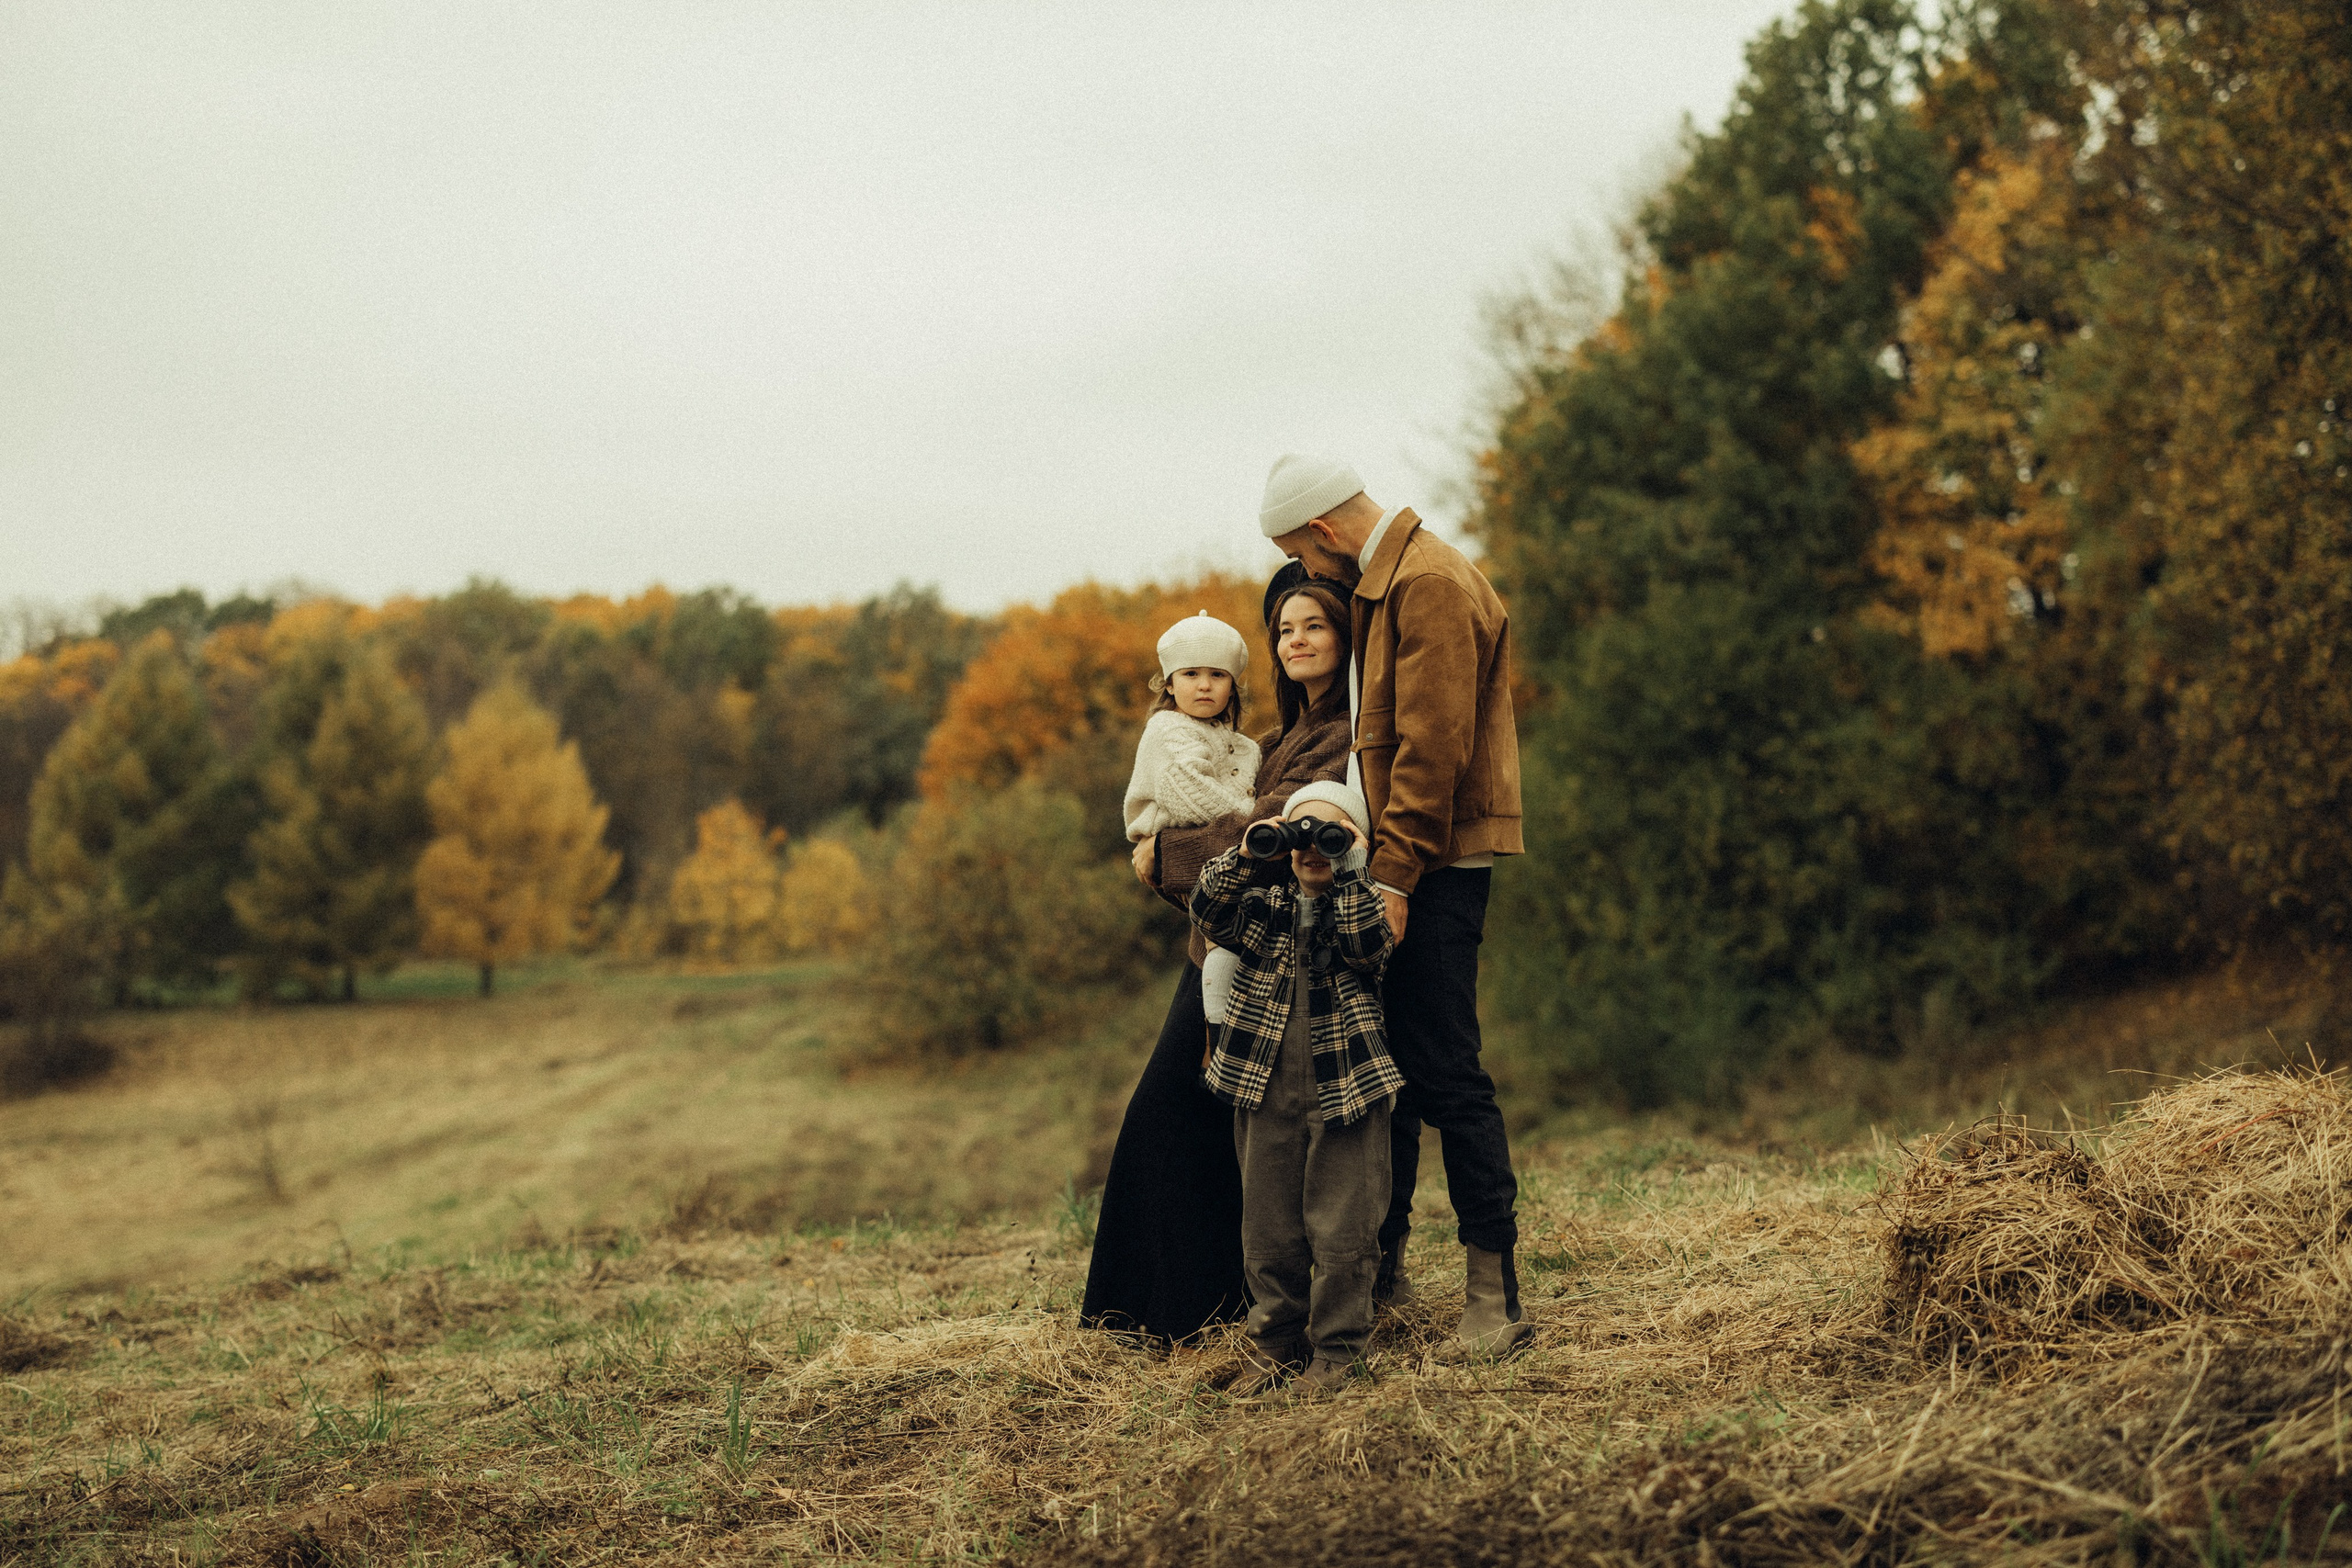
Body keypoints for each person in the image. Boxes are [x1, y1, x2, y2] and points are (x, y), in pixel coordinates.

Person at [1257, 452, 1532, 1361]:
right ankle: (1385, 1276)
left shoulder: (1428, 583)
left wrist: (1395, 877)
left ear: (1321, 531)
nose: (1306, 573)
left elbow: (1432, 744)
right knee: (1398, 1076)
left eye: (1301, 555)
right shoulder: (1388, 583)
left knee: (1447, 1071)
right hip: (1410, 856)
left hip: (1438, 860)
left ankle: (1496, 1298)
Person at [1080, 574, 1357, 1344]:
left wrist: (1165, 850)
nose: (1296, 640)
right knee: (1186, 1117)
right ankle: (1159, 1310)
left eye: (1314, 626)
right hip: (1224, 944)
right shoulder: (1277, 734)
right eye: (1285, 629)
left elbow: (1264, 834)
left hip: (1268, 952)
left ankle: (1173, 1311)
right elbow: (1238, 820)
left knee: (1186, 1116)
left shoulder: (1338, 733)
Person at [1191, 780, 1397, 1400]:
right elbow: (1207, 910)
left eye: (1330, 835)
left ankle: (1338, 1353)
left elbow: (1367, 948)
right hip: (1264, 1084)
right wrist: (1249, 851)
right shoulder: (1263, 907)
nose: (1313, 847)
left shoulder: (1363, 907)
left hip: (1346, 1089)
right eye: (1300, 833)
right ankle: (1276, 1344)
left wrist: (1352, 868)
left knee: (1343, 1230)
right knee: (1268, 1228)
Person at [1121, 613, 1259, 1035]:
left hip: (1213, 850)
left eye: (1217, 675)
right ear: (1168, 683)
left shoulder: (1242, 745)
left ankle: (1227, 1025)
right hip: (1176, 846)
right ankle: (1217, 1029)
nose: (1204, 685)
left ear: (1233, 685)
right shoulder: (1167, 729)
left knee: (1243, 933)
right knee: (1223, 940)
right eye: (1191, 674)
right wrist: (1255, 815)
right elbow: (1191, 794)